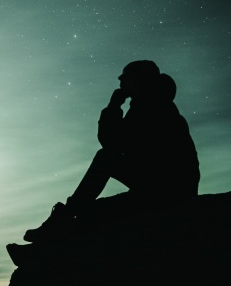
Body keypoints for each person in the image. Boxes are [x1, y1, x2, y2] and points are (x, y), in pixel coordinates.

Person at [18, 60, 200, 247]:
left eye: (126, 75)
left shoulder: (154, 106)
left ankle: (61, 221)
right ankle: (56, 240)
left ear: (140, 79)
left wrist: (113, 106)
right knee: (93, 211)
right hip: (159, 189)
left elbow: (112, 144)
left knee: (105, 158)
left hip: (167, 191)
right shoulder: (147, 104)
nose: (120, 79)